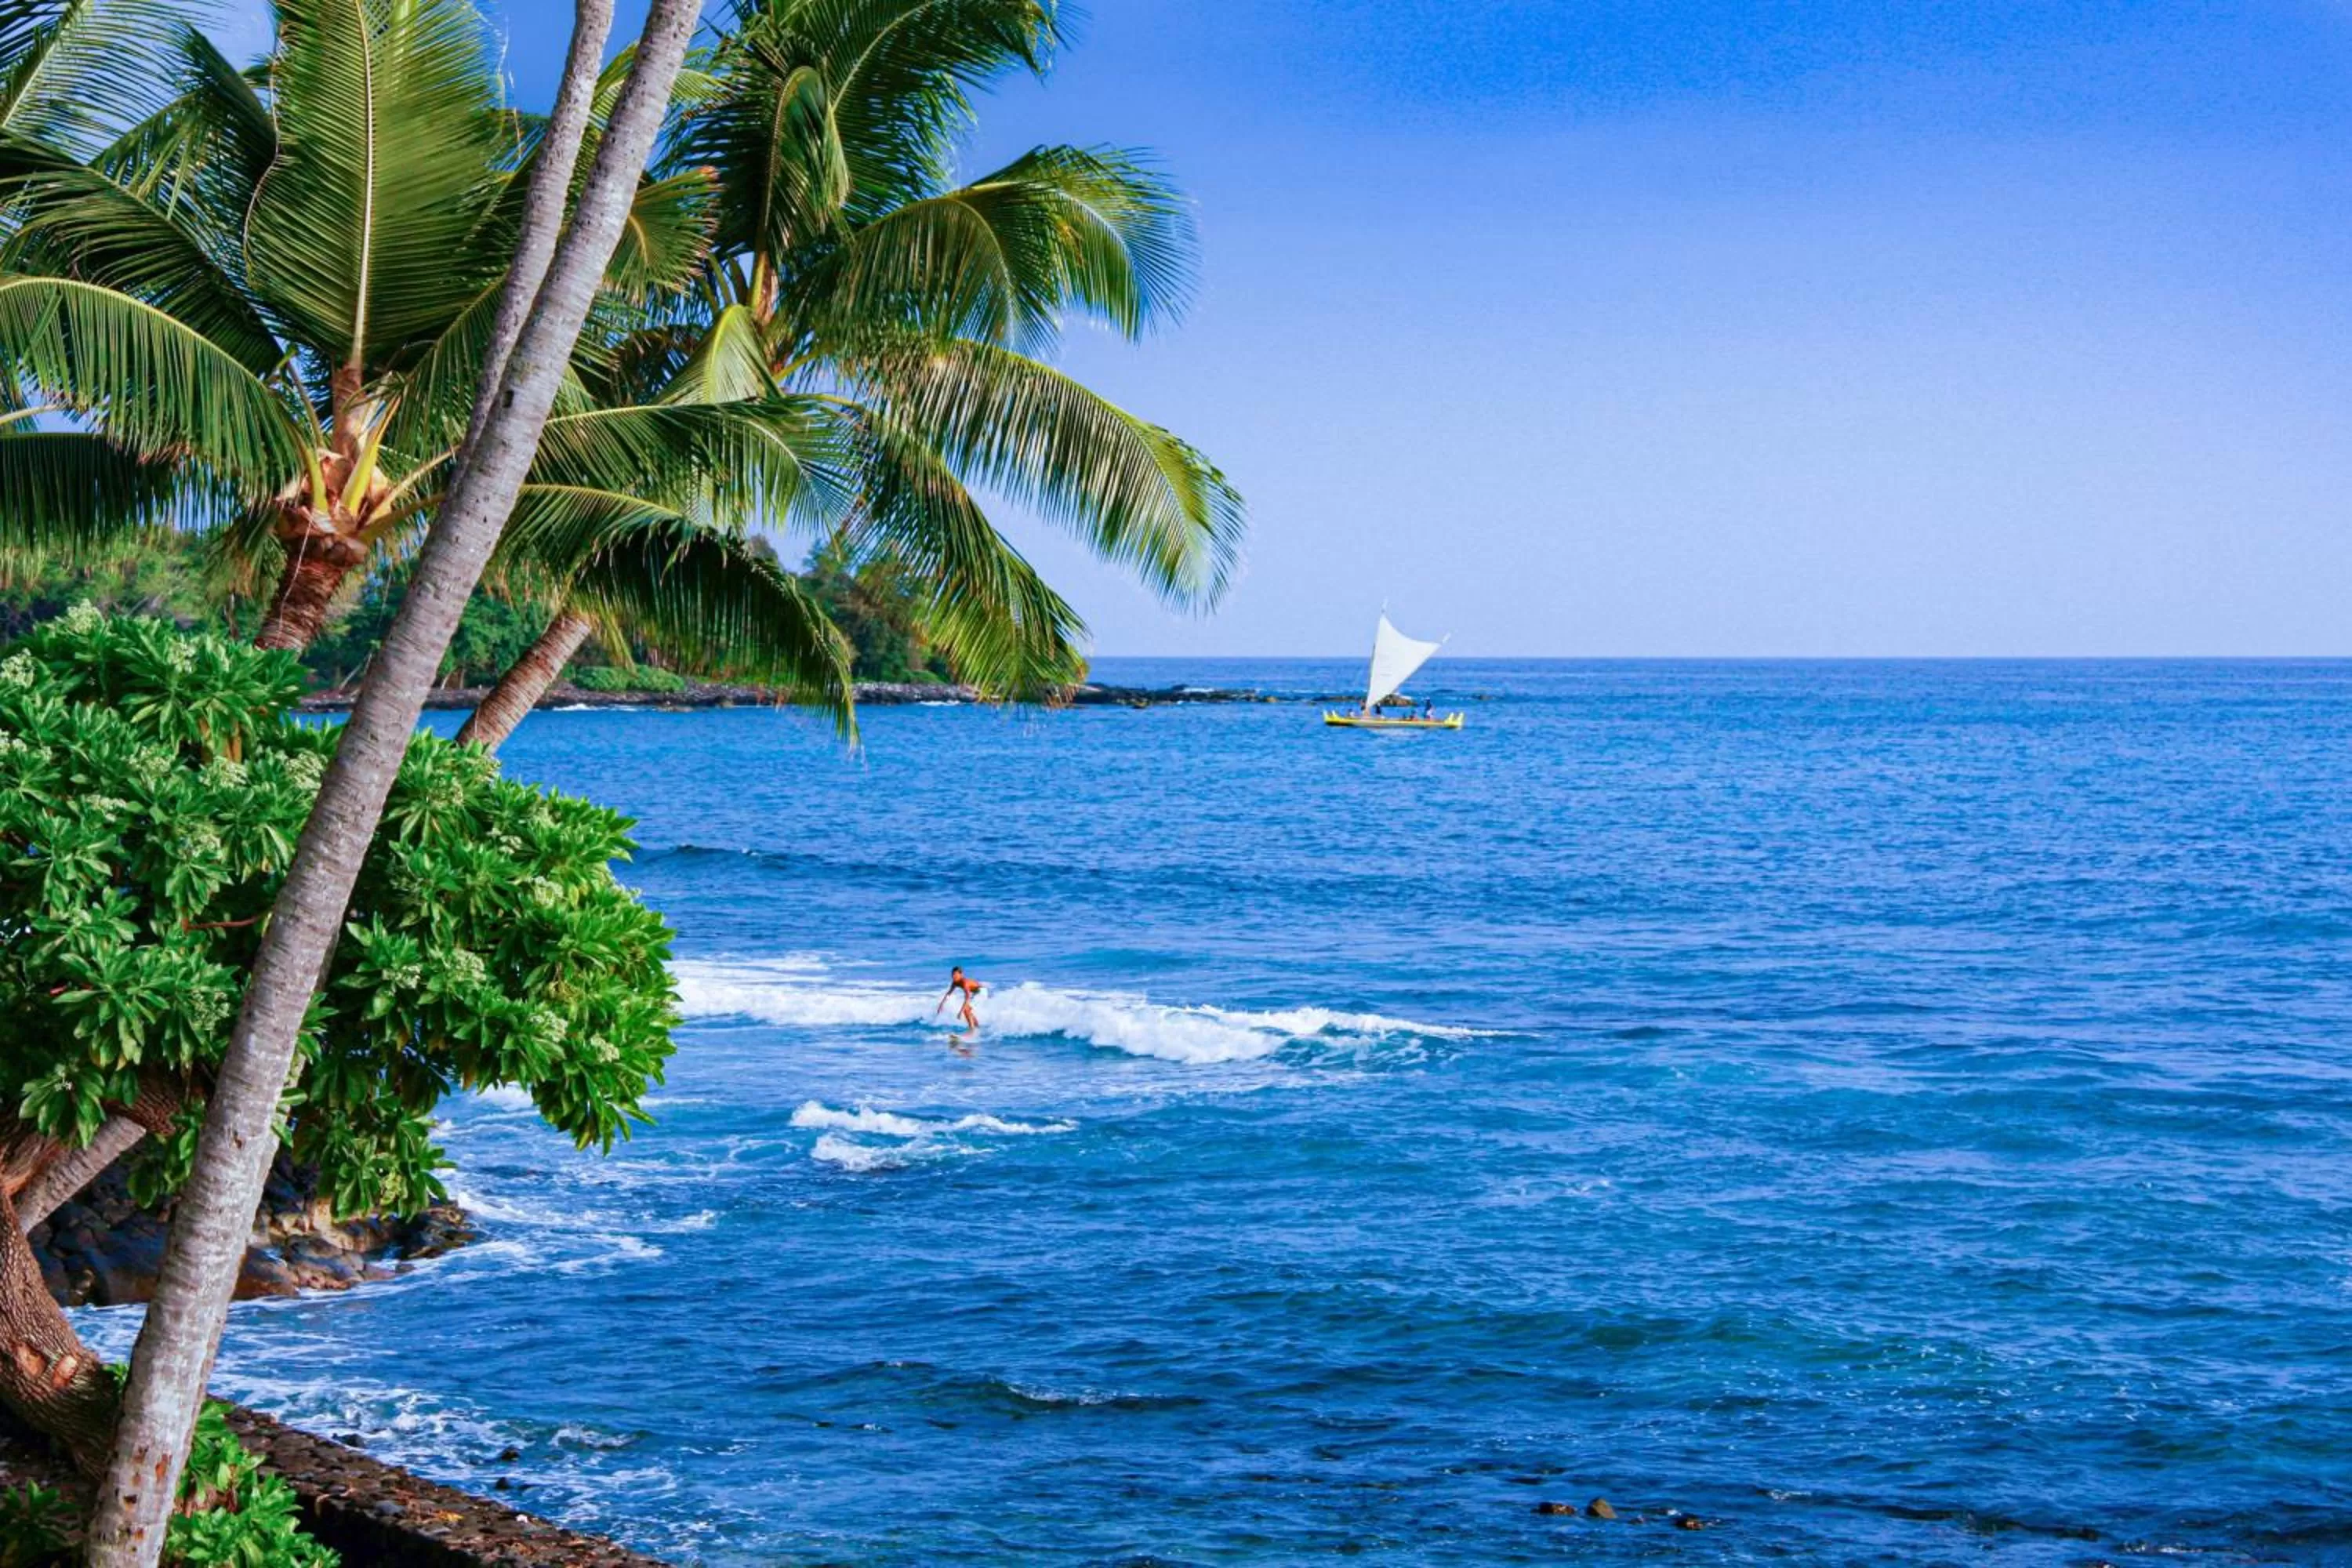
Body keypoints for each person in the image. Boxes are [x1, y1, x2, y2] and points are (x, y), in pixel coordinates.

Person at [935, 966, 984, 1032]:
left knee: (966, 1009)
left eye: (955, 975)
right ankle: (977, 1027)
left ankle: (972, 1030)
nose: (953, 976)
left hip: (981, 992)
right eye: (952, 974)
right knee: (968, 1010)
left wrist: (960, 1012)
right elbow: (948, 994)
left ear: (961, 975)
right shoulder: (955, 983)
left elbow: (967, 997)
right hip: (976, 993)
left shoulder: (964, 983)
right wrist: (941, 1005)